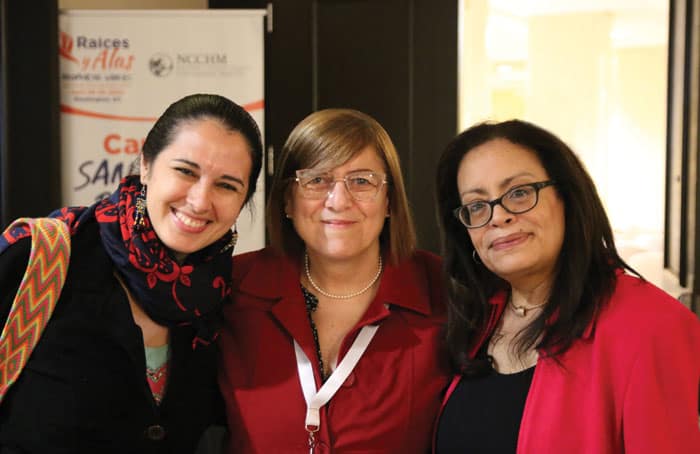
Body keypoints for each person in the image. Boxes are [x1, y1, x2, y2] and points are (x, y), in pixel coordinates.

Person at [0, 93, 263, 453]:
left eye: (227, 185)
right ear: (147, 165)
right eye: (185, 171)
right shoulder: (41, 258)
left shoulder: (224, 300)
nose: (201, 201)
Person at [433, 119, 700, 453]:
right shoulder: (472, 320)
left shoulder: (651, 325)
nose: (498, 217)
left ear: (567, 198)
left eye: (519, 193)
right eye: (476, 205)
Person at [218, 108, 449, 453]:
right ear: (287, 200)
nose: (339, 201)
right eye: (316, 180)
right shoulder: (230, 290)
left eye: (362, 181)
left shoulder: (445, 294)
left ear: (389, 201)